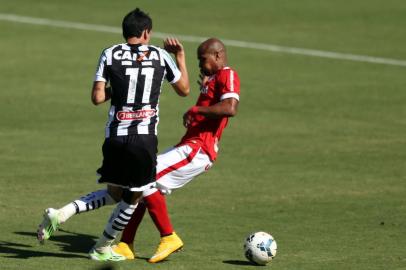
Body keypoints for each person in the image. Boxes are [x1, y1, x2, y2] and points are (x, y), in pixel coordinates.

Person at [36, 8, 190, 261]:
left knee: (115, 193)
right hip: (144, 138)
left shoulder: (109, 53)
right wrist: (181, 57)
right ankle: (102, 246)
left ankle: (62, 213)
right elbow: (184, 89)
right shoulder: (161, 56)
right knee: (133, 197)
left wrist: (119, 89)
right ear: (145, 33)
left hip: (115, 137)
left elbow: (97, 97)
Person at [113, 38, 240, 263]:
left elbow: (230, 108)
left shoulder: (228, 74)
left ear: (218, 56)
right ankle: (126, 244)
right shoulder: (213, 78)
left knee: (144, 178)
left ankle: (169, 237)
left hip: (199, 149)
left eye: (203, 59)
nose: (200, 65)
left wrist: (197, 108)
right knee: (142, 188)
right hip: (189, 145)